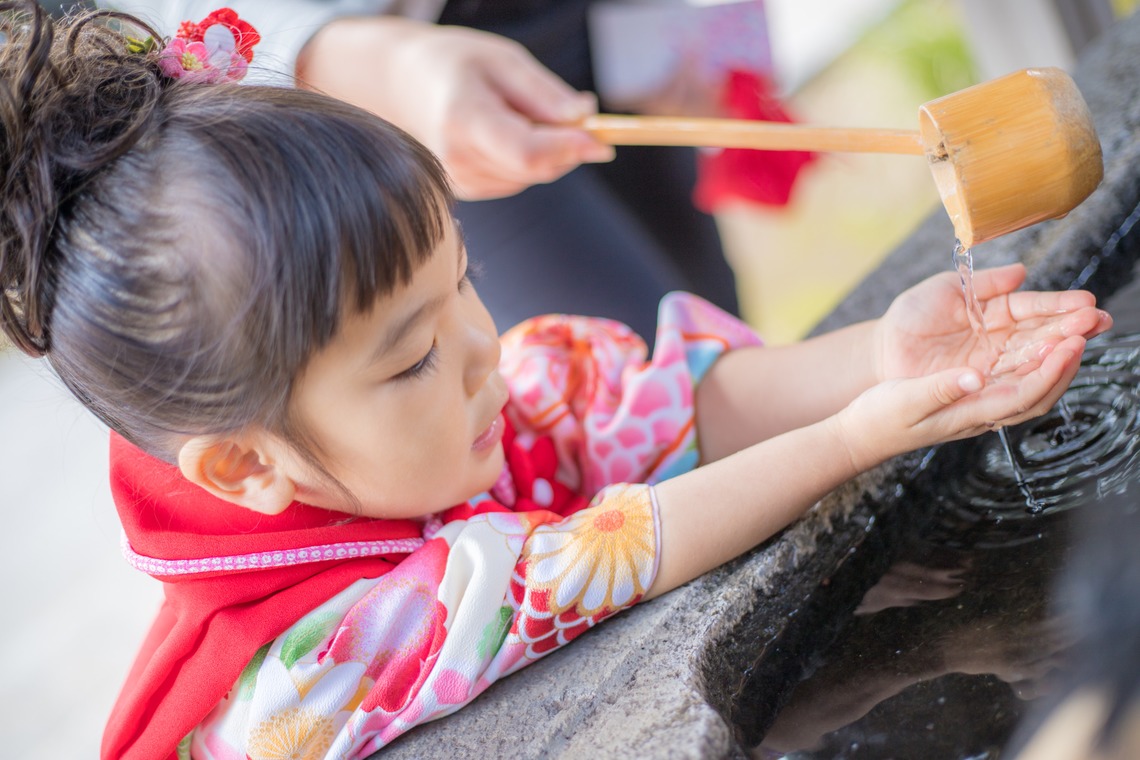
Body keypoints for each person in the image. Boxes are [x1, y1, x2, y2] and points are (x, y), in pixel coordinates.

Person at [0, 5, 1112, 759]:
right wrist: (860, 434)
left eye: (466, 279)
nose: (484, 346)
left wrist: (876, 356)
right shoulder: (303, 660)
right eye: (415, 353)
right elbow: (579, 563)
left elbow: (650, 403)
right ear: (246, 464)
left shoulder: (402, 425)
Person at [103, 0, 745, 342]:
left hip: (582, 25)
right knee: (648, 375)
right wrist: (386, 70)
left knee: (713, 312)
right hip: (396, 84)